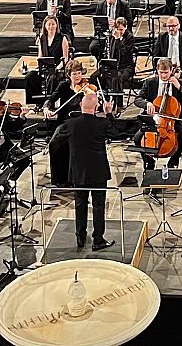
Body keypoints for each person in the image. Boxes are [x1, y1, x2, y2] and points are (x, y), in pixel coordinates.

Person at [66, 91, 116, 251]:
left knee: (80, 204)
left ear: (81, 105)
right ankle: (98, 240)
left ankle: (80, 237)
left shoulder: (70, 124)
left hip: (78, 171)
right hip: (98, 171)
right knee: (98, 205)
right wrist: (109, 114)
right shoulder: (102, 123)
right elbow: (116, 133)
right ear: (96, 107)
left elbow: (57, 140)